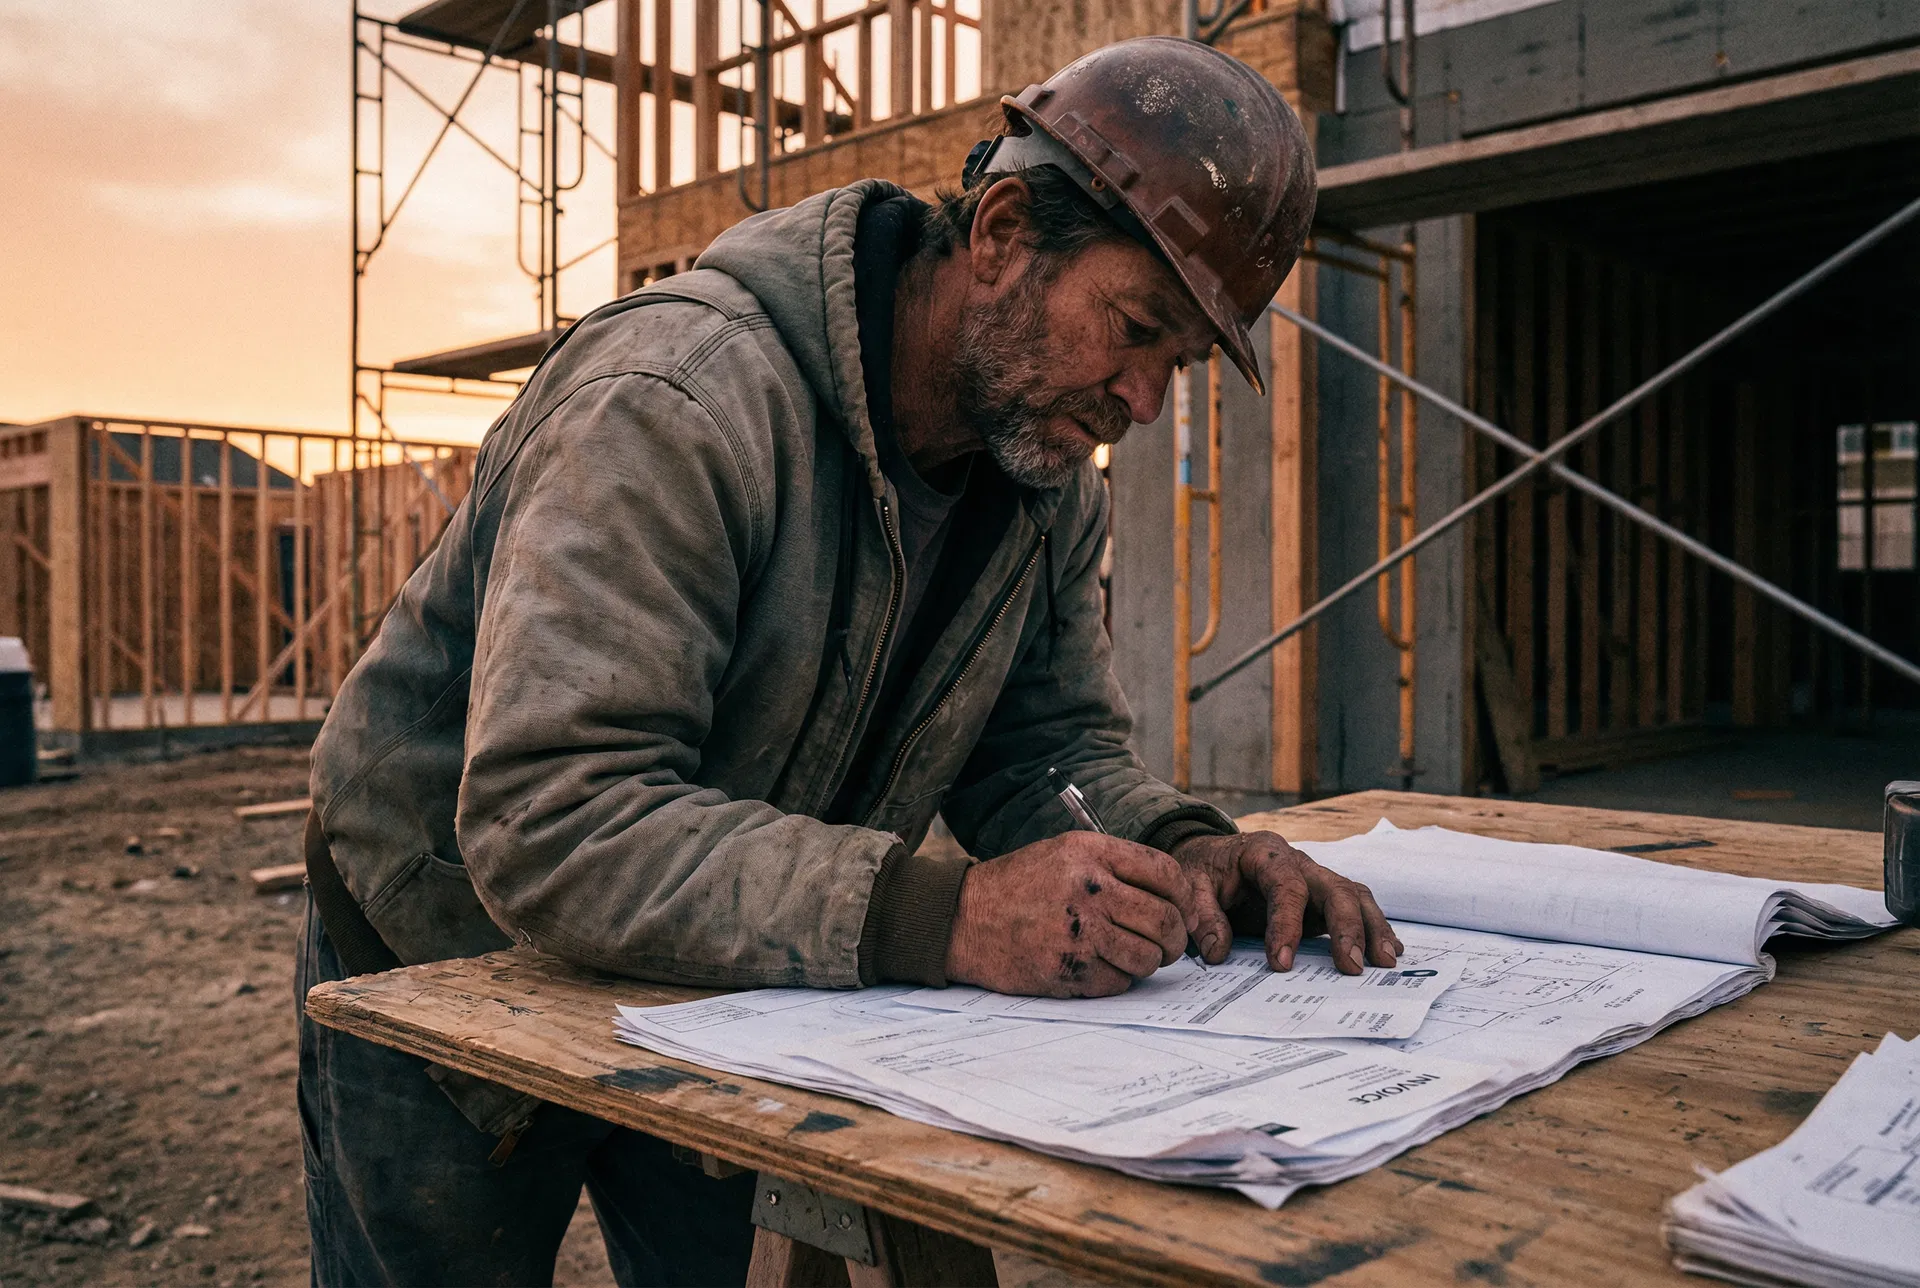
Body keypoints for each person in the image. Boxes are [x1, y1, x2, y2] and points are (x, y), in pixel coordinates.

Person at [297, 34, 1403, 1287]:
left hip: (729, 966)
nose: (1144, 403)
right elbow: (552, 819)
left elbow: (1048, 755)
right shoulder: (677, 402)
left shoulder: (1039, 476)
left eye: (1178, 367)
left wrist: (1188, 845)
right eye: (1136, 328)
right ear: (997, 233)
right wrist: (954, 915)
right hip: (447, 958)